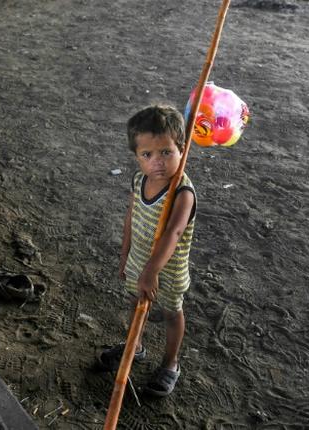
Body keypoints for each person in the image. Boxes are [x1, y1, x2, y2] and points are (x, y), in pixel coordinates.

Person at [96, 104, 196, 397]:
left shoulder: (182, 192)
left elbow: (174, 233)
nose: (158, 162)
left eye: (166, 152)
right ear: (137, 156)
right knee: (135, 301)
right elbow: (131, 216)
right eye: (147, 155)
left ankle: (170, 363)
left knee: (170, 311)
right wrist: (125, 253)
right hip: (139, 260)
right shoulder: (139, 180)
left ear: (182, 148)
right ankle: (134, 346)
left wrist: (151, 271)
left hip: (167, 269)